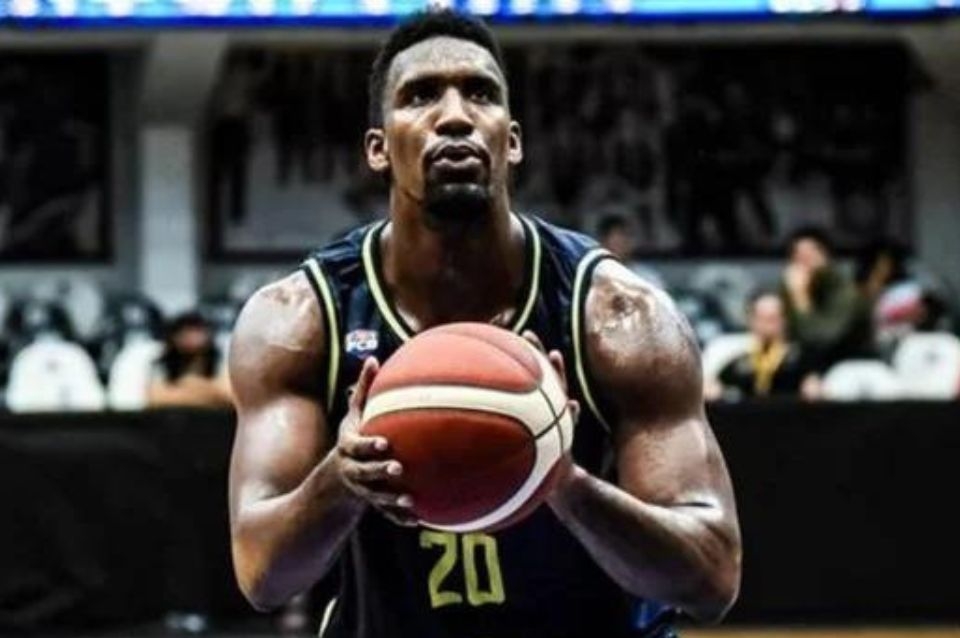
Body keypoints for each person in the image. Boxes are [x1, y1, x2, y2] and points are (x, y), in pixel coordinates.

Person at [227, 11, 741, 638]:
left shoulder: (617, 315)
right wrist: (342, 477)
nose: (454, 116)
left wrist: (566, 484)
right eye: (420, 96)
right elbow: (262, 575)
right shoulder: (301, 319)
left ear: (512, 140)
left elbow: (712, 577)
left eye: (480, 93)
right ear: (378, 148)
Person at [780, 227, 873, 371]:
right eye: (798, 258)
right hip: (809, 368)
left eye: (809, 256)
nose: (804, 265)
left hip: (851, 367)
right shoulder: (791, 288)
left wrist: (800, 298)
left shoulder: (846, 293)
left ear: (826, 257)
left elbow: (820, 340)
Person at [705, 292, 821, 402]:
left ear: (784, 320)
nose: (768, 325)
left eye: (774, 318)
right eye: (763, 318)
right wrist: (714, 390)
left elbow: (814, 389)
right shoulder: (740, 362)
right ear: (752, 321)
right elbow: (715, 387)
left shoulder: (801, 358)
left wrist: (813, 389)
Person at [147, 312, 232, 408]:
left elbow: (229, 396)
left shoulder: (221, 361)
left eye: (196, 332)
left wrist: (190, 384)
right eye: (184, 333)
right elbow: (156, 398)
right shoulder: (162, 363)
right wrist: (206, 392)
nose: (190, 338)